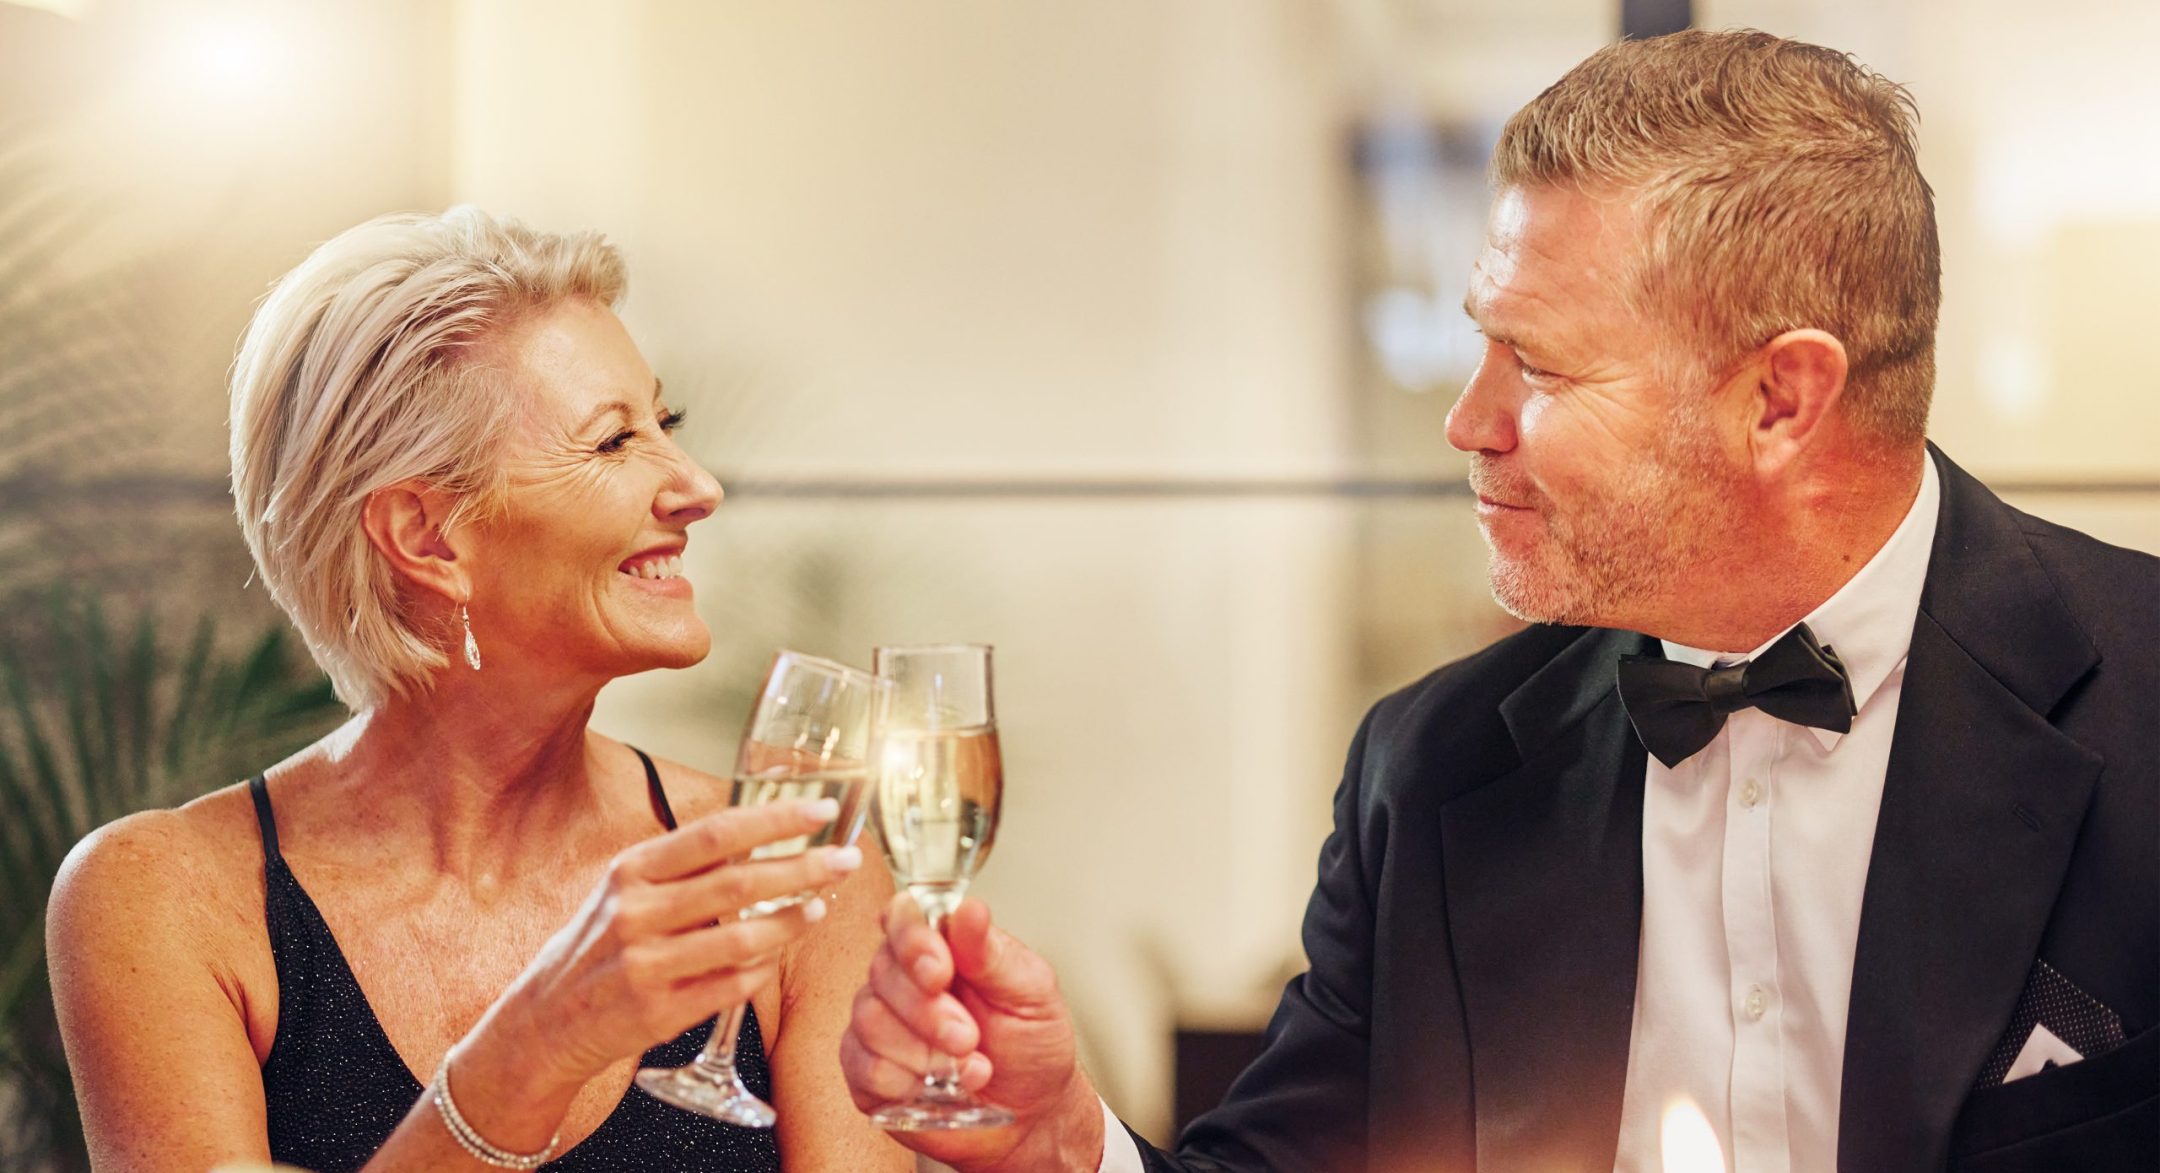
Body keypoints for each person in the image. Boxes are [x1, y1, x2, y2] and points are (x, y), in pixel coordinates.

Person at [837, 30, 2158, 1173]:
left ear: (1779, 399)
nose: (1469, 421)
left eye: (1538, 364)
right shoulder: (1433, 769)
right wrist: (1065, 1138)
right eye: (1479, 341)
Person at [46, 208, 915, 1172]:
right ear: (427, 536)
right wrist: (534, 1051)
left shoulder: (800, 879)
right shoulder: (166, 898)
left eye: (663, 423)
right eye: (615, 443)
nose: (698, 485)